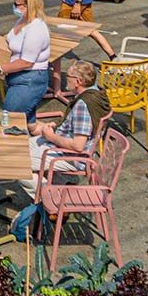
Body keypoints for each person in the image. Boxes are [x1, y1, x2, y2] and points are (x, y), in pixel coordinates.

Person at [22, 58, 109, 196]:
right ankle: (61, 184)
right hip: (65, 146)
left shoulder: (83, 105)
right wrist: (57, 125)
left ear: (78, 82)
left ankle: (51, 199)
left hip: (70, 156)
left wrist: (51, 136)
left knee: (18, 165)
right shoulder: (97, 93)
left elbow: (78, 146)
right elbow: (80, 124)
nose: (65, 79)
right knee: (19, 147)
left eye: (68, 76)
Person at [0, 0, 51, 119]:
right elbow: (8, 38)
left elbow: (26, 62)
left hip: (29, 80)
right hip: (21, 78)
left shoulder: (35, 28)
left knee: (10, 119)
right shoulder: (23, 21)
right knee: (29, 123)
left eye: (17, 4)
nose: (14, 7)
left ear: (29, 6)